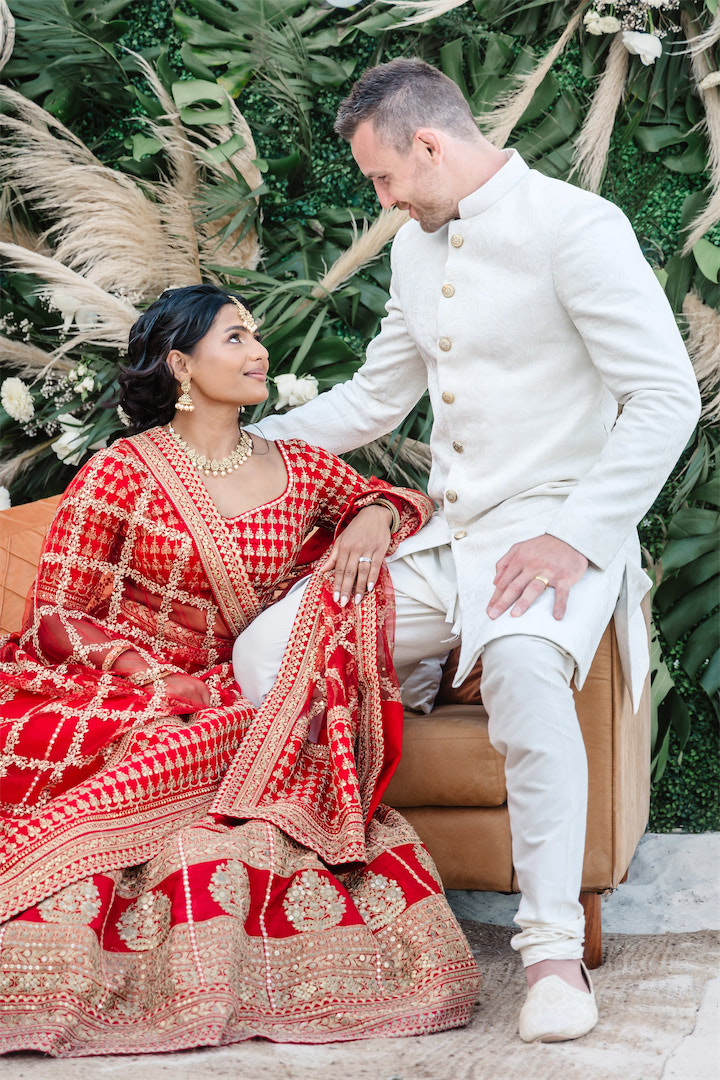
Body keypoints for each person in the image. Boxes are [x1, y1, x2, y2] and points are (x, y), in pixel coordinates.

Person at [249, 59, 702, 1042]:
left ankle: (550, 955)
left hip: (552, 531)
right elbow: (375, 399)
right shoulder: (418, 251)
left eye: (384, 178)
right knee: (263, 654)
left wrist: (578, 535)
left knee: (526, 670)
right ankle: (309, 903)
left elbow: (667, 398)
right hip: (448, 543)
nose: (387, 199)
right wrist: (245, 449)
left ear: (429, 143)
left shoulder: (578, 229)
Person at [0, 284, 481, 1055]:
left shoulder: (297, 467)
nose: (258, 351)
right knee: (137, 758)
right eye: (234, 338)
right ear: (180, 364)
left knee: (248, 768)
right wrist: (152, 679)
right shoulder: (123, 470)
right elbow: (57, 612)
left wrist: (374, 517)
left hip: (233, 691)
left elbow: (403, 498)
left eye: (255, 334)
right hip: (120, 683)